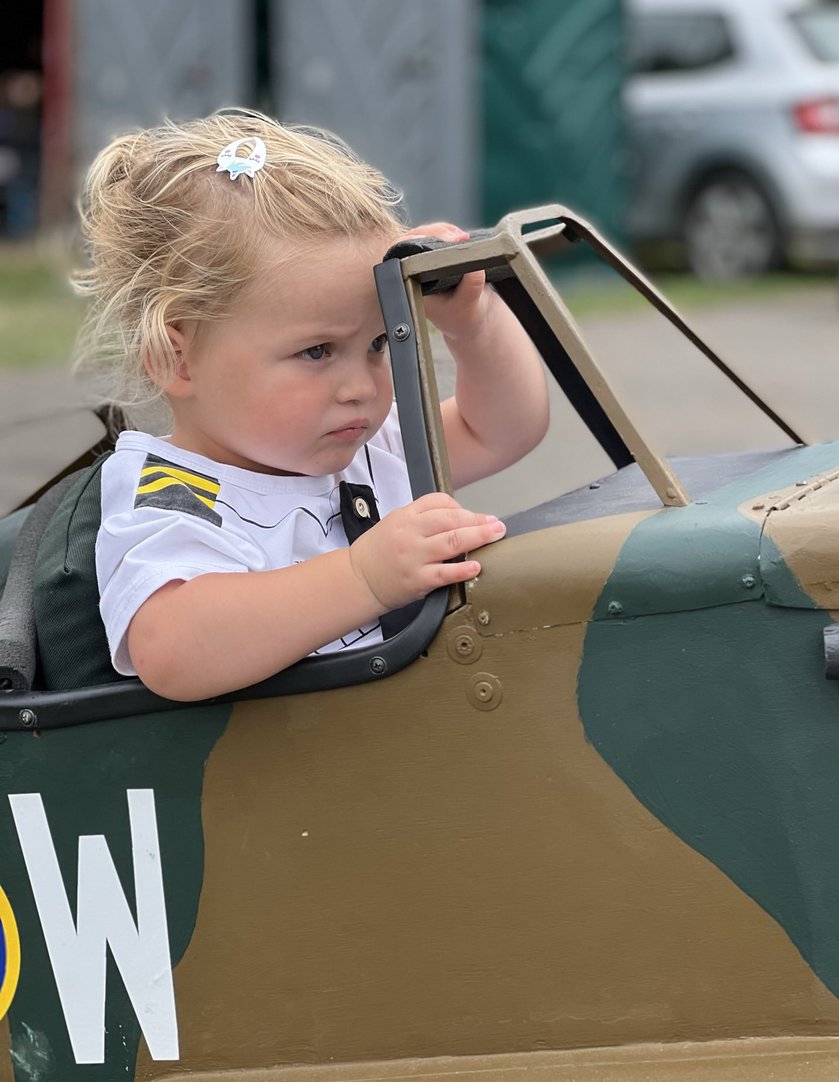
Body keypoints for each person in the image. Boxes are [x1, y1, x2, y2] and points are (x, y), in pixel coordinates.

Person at [74, 110, 548, 702]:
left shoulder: (362, 448)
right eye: (317, 351)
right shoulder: (174, 492)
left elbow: (503, 428)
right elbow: (172, 648)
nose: (361, 387)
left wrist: (470, 323)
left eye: (378, 343)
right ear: (178, 359)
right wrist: (363, 577)